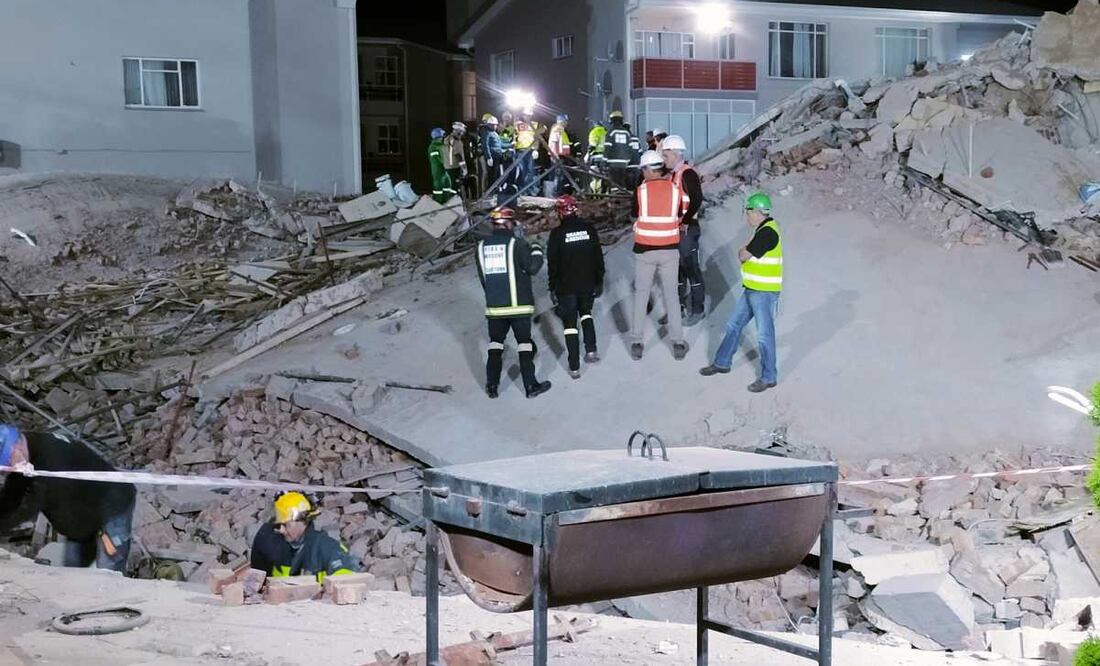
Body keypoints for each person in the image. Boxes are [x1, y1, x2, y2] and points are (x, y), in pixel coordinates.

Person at [0, 424, 135, 572]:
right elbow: (11, 497)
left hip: (113, 506)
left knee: (109, 570)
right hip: (81, 518)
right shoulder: (28, 448)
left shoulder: (51, 460)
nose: (10, 468)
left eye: (8, 461)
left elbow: (26, 506)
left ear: (17, 448)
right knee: (72, 571)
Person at [699, 192, 783, 393]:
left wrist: (743, 252)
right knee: (734, 324)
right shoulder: (762, 229)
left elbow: (743, 255)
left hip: (764, 293)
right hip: (752, 290)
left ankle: (769, 376)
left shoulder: (767, 233)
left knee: (764, 335)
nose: (747, 216)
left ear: (756, 212)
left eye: (748, 212)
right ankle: (722, 362)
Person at [475, 208, 553, 399]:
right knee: (524, 345)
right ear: (509, 224)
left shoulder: (480, 247)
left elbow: (484, 279)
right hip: (519, 307)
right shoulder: (516, 244)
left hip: (495, 308)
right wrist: (536, 248)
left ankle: (491, 386)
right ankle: (530, 387)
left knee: (495, 345)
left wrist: (495, 297)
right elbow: (533, 268)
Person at [630, 151, 688, 362]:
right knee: (671, 295)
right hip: (670, 249)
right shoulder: (675, 189)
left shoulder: (641, 191)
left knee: (641, 295)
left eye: (642, 170)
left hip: (645, 250)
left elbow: (635, 214)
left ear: (647, 169)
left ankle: (637, 342)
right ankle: (678, 342)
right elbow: (680, 213)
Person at [548, 195, 604, 379]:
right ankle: (592, 350)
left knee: (570, 325)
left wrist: (553, 287)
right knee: (586, 314)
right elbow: (598, 257)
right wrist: (599, 280)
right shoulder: (589, 230)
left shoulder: (556, 235)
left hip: (566, 288)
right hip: (587, 283)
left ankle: (574, 368)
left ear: (560, 213)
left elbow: (553, 264)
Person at [250, 491, 359, 583]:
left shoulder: (326, 547)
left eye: (286, 525)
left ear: (303, 522)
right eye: (279, 525)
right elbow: (258, 578)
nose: (281, 530)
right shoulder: (269, 539)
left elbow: (347, 582)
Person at [661, 134, 706, 326]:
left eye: (666, 155)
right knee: (677, 273)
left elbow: (697, 198)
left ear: (676, 153)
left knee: (691, 270)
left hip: (687, 230)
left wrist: (686, 220)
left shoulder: (687, 174)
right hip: (675, 230)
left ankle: (698, 309)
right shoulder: (673, 175)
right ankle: (677, 309)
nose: (664, 159)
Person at [602, 111, 633, 191]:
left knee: (614, 185)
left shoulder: (611, 132)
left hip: (613, 163)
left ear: (612, 120)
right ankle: (623, 200)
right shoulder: (626, 132)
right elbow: (630, 148)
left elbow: (607, 148)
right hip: (624, 164)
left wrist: (604, 162)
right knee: (622, 184)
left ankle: (615, 201)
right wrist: (628, 160)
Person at [480, 114, 507, 195]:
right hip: (492, 157)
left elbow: (500, 144)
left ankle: (495, 190)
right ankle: (490, 191)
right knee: (491, 175)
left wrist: (511, 145)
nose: (496, 126)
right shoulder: (486, 132)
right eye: (494, 125)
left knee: (497, 174)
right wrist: (489, 157)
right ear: (490, 125)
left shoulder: (494, 133)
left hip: (497, 157)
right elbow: (485, 145)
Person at [443, 122, 469, 199]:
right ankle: (454, 202)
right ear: (458, 130)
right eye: (462, 131)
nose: (462, 133)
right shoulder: (456, 141)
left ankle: (449, 200)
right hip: (454, 167)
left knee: (450, 186)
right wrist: (464, 168)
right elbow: (458, 155)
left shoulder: (448, 138)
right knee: (454, 187)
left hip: (447, 166)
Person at [428, 128, 452, 203]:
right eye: (442, 135)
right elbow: (437, 158)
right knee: (438, 187)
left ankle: (446, 202)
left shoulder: (441, 145)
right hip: (438, 171)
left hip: (444, 171)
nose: (443, 137)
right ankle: (438, 203)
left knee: (447, 184)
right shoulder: (433, 147)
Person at [586, 121, 607, 194]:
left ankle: (594, 194)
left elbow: (592, 145)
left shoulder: (594, 132)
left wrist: (587, 155)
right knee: (603, 177)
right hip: (604, 158)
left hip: (596, 158)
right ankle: (602, 194)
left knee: (594, 177)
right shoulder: (606, 132)